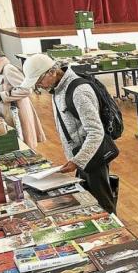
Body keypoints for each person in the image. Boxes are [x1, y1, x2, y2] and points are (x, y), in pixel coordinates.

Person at [20, 54, 116, 213]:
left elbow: (96, 131)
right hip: (81, 156)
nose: (39, 86)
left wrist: (78, 161)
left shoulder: (79, 91)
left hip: (91, 156)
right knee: (89, 198)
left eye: (39, 81)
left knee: (102, 202)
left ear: (51, 72)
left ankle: (116, 231)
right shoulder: (58, 88)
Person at [0, 42, 46, 149]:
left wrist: (2, 96)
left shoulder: (8, 69)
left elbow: (27, 89)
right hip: (4, 112)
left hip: (18, 113)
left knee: (23, 145)